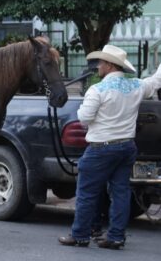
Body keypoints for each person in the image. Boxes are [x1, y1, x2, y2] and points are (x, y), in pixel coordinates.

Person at [59, 45, 161, 249]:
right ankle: (116, 236)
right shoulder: (137, 86)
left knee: (87, 192)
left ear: (109, 65)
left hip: (100, 148)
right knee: (121, 192)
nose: (97, 66)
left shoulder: (97, 90)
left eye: (100, 62)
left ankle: (80, 234)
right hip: (126, 146)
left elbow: (84, 118)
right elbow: (156, 80)